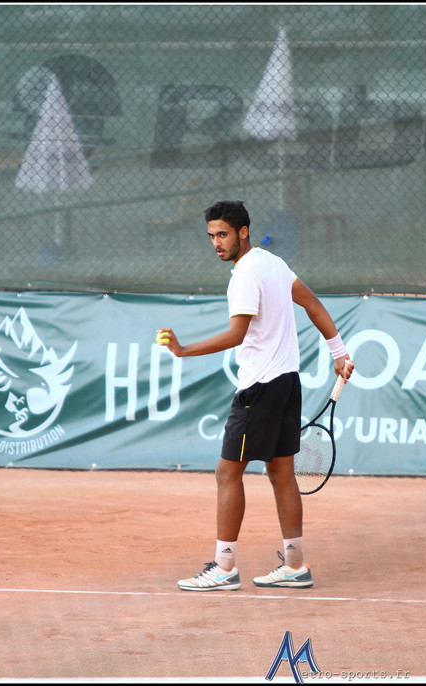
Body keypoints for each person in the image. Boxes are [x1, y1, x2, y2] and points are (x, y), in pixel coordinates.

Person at [157, 200, 354, 591]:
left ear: (243, 232)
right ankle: (295, 565)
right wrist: (339, 352)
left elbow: (237, 334)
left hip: (260, 388)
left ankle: (224, 567)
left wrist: (183, 350)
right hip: (287, 383)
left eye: (223, 234)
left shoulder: (246, 274)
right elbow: (312, 302)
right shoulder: (273, 263)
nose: (217, 243)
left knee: (227, 472)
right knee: (281, 472)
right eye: (212, 236)